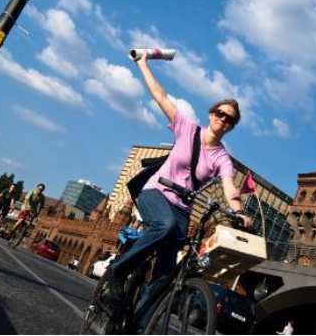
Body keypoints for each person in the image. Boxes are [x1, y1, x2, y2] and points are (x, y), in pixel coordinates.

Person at [102, 51, 252, 316]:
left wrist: (238, 211)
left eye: (230, 119)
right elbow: (160, 95)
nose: (223, 119)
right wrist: (143, 63)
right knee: (165, 225)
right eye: (220, 113)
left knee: (165, 275)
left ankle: (137, 323)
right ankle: (117, 270)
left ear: (232, 126)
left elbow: (230, 186)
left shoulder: (222, 158)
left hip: (182, 209)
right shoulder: (187, 127)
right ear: (211, 113)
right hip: (156, 192)